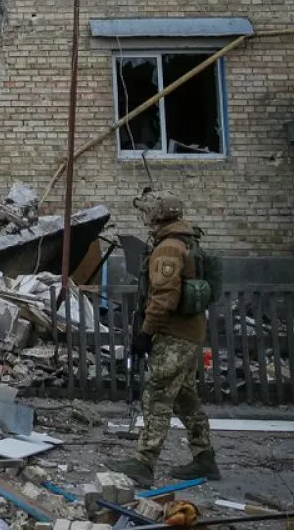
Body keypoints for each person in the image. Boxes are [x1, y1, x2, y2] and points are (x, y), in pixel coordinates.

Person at [109, 192, 219, 487]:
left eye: (147, 213)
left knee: (157, 393)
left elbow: (164, 297)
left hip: (173, 334)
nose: (144, 217)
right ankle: (205, 458)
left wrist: (146, 332)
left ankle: (143, 463)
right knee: (184, 397)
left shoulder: (168, 249)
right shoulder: (184, 241)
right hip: (187, 333)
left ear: (156, 217)